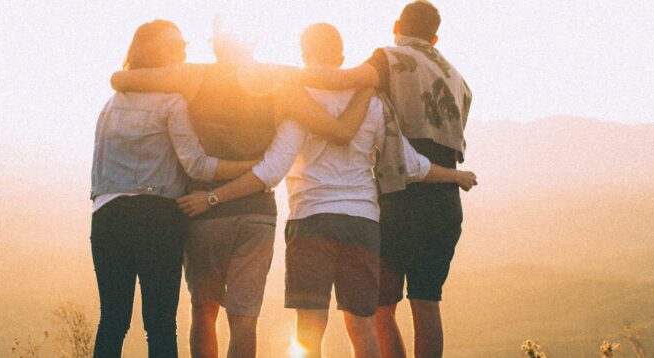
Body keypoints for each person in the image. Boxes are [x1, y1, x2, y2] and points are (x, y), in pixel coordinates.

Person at [176, 23, 476, 358]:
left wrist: (214, 197)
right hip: (362, 223)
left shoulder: (298, 101)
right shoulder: (372, 101)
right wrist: (453, 175)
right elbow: (407, 162)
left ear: (303, 53)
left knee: (309, 330)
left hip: (310, 222)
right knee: (362, 327)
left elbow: (272, 170)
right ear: (342, 56)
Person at [109, 19, 374, 358]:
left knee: (204, 313)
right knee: (244, 320)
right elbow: (338, 129)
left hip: (202, 213)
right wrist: (369, 83)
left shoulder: (193, 76)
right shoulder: (278, 81)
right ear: (252, 43)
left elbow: (121, 79)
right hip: (256, 214)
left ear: (216, 45)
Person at [287, 2, 474, 357]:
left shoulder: (390, 58)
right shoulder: (457, 77)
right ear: (435, 37)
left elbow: (341, 80)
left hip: (400, 194)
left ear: (396, 26)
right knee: (427, 303)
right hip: (446, 196)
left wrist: (278, 76)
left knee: (378, 310)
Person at [90, 19, 261, 357]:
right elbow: (196, 165)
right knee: (160, 324)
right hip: (157, 217)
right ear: (159, 53)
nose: (184, 49)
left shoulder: (112, 104)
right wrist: (250, 167)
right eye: (177, 45)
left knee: (112, 319)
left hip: (106, 216)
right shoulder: (171, 102)